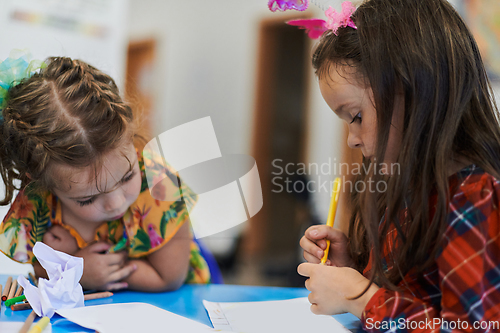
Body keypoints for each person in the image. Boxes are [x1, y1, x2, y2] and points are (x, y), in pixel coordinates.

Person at [297, 0, 500, 330]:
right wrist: (351, 269)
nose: (352, 139)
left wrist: (361, 297)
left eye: (357, 117)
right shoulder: (406, 188)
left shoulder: (474, 199)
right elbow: (411, 294)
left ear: (415, 89)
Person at [0, 55, 211, 291]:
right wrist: (75, 267)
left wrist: (75, 267)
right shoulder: (38, 201)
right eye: (87, 199)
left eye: (127, 177)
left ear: (131, 138)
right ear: (41, 182)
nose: (116, 203)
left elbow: (169, 278)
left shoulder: (159, 183)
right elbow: (38, 269)